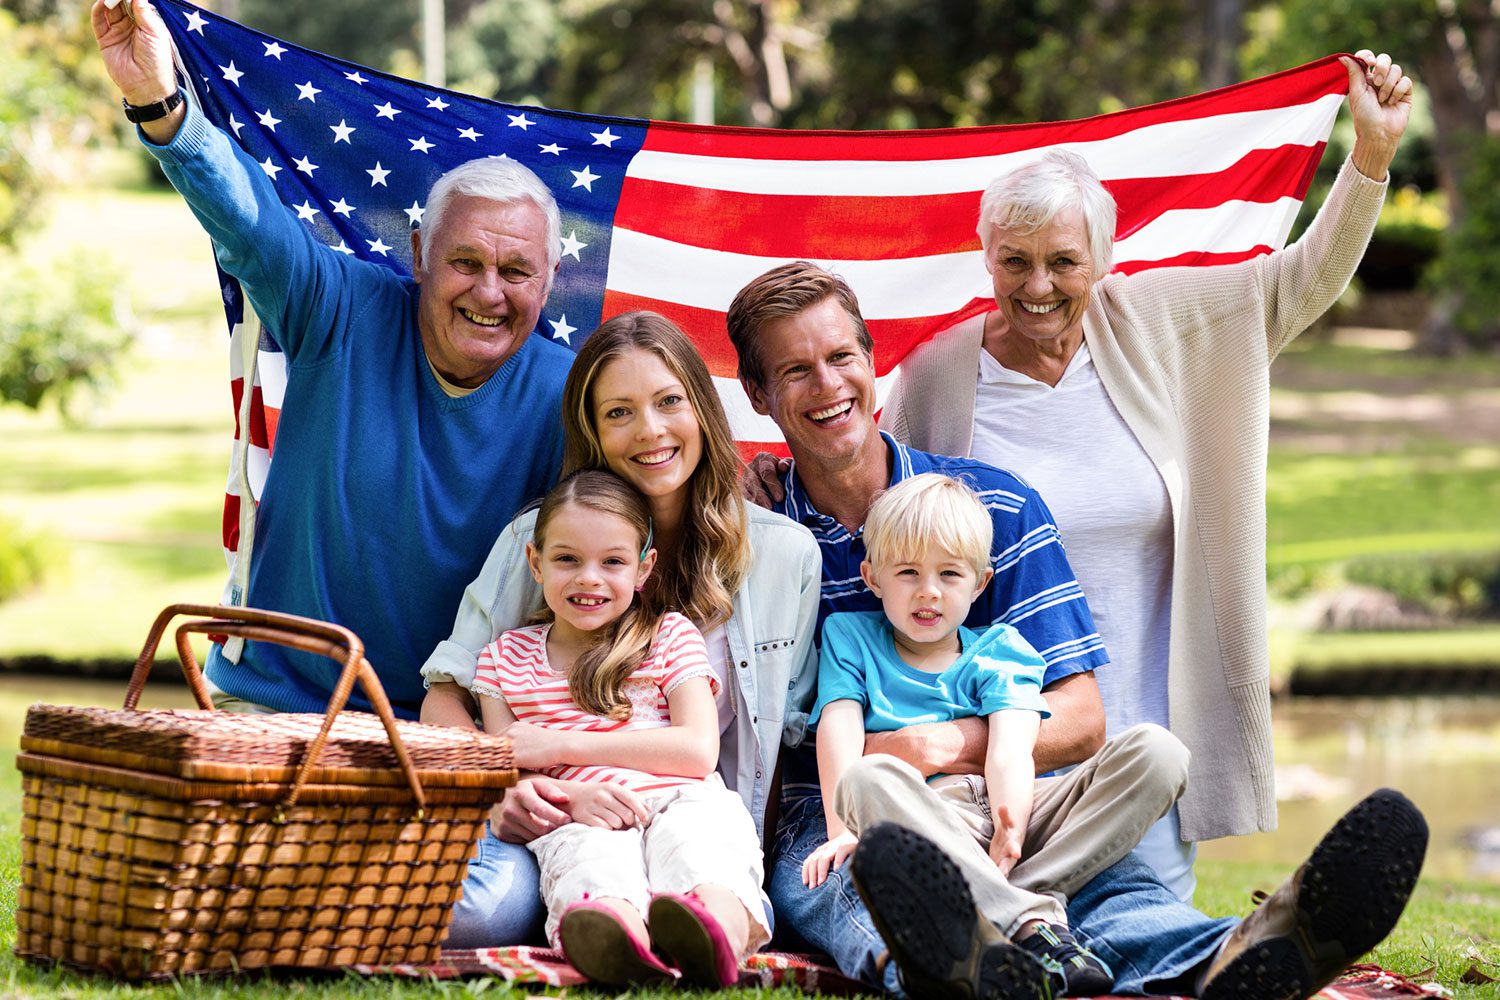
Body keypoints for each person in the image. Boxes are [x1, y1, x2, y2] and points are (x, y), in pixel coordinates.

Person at [726, 260, 1428, 1000]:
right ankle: (970, 965)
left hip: (1011, 793)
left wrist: (940, 746)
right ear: (758, 395)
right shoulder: (754, 543)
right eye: (796, 371)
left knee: (1119, 892)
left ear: (871, 361)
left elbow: (1082, 718)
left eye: (841, 357)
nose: (829, 384)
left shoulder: (994, 508)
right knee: (860, 891)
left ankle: (1254, 948)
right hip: (845, 810)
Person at [879, 50, 1415, 898]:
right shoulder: (939, 376)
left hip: (1146, 747)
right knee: (1026, 937)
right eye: (1014, 261)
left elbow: (1300, 284)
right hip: (995, 748)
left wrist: (1371, 158)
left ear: (1102, 254)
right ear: (986, 259)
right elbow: (877, 508)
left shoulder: (1158, 323)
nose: (1039, 285)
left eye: (1063, 260)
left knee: (1137, 933)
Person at [91, 0, 572, 718]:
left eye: (517, 272)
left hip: (455, 736)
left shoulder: (573, 393)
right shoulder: (341, 310)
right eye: (464, 262)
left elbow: (649, 511)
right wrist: (162, 105)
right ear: (419, 256)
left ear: (552, 280)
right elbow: (250, 223)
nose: (489, 292)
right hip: (279, 710)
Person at [419, 311, 822, 948]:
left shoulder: (784, 554)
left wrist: (747, 860)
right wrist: (501, 790)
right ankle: (608, 929)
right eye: (618, 412)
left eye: (669, 402)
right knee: (478, 912)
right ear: (592, 431)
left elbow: (778, 745)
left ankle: (703, 920)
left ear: (702, 411)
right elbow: (447, 693)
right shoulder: (537, 539)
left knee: (698, 872)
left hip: (693, 813)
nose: (650, 431)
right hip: (556, 817)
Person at [808, 473, 1191, 997]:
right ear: (872, 578)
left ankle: (1009, 901)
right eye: (907, 573)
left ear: (980, 582)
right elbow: (839, 726)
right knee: (869, 778)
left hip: (1023, 804)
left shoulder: (1000, 648)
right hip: (927, 815)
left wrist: (1010, 833)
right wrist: (843, 829)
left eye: (949, 574)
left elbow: (1011, 747)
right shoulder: (849, 637)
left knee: (1158, 752)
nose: (929, 591)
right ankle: (1037, 925)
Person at [470, 469, 770, 987]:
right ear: (535, 563)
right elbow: (509, 769)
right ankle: (615, 937)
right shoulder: (503, 659)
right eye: (567, 559)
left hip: (683, 797)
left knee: (700, 851)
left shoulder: (668, 635)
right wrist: (570, 796)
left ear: (643, 568)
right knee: (589, 864)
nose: (589, 578)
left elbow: (698, 749)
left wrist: (560, 744)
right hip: (580, 815)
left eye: (612, 562)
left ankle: (712, 930)